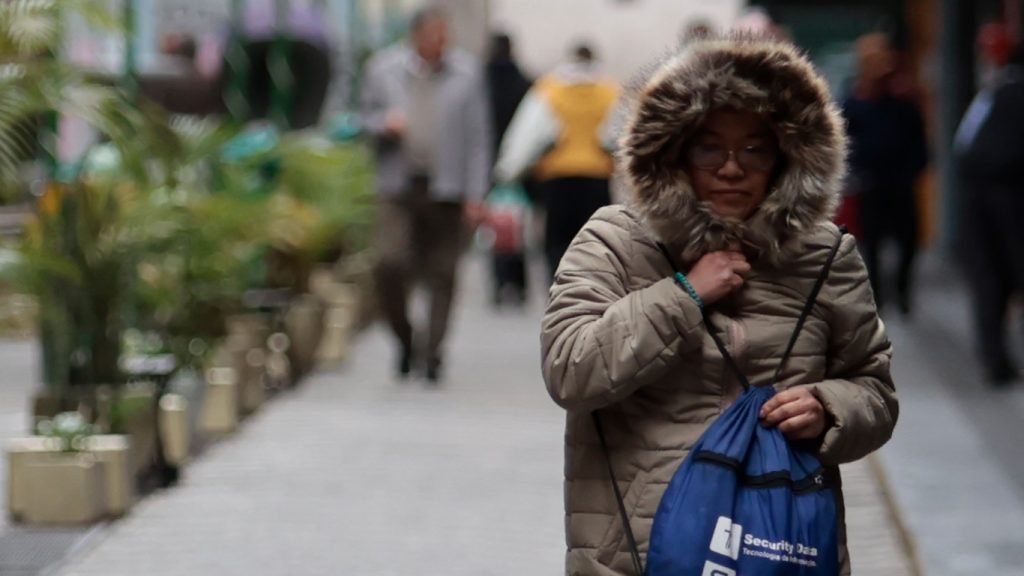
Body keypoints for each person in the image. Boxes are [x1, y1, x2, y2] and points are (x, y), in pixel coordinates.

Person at [541, 37, 899, 575]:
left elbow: (874, 390)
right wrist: (683, 295)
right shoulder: (614, 241)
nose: (732, 169)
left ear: (787, 156)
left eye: (754, 149)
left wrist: (829, 408)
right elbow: (570, 371)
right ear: (674, 152)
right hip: (638, 553)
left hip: (777, 550)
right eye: (710, 149)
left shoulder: (826, 256)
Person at [361, 6, 490, 383]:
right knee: (388, 263)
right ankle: (405, 339)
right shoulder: (382, 69)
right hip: (397, 185)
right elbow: (360, 119)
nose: (442, 42)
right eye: (435, 34)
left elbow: (478, 138)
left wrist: (476, 193)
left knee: (443, 272)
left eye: (445, 35)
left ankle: (433, 353)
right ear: (416, 35)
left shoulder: (467, 73)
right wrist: (383, 124)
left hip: (447, 187)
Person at [494, 42, 620, 280]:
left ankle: (559, 287)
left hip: (557, 180)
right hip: (596, 179)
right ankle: (593, 286)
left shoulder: (549, 89)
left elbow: (528, 135)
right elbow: (616, 134)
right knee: (595, 242)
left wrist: (506, 171)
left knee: (558, 244)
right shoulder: (609, 90)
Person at [842, 33, 929, 315]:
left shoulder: (903, 102)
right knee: (872, 244)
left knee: (908, 241)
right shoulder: (855, 102)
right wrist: (856, 173)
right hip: (871, 183)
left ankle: (901, 290)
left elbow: (918, 139)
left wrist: (915, 168)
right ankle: (878, 295)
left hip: (900, 181)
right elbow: (844, 141)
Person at [955, 42, 1024, 386]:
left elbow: (963, 143)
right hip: (1013, 198)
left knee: (988, 279)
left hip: (977, 198)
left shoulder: (992, 94)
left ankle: (994, 359)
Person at [485, 33, 533, 306]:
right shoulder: (524, 82)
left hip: (489, 161)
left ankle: (499, 282)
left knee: (495, 225)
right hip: (520, 163)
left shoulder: (482, 81)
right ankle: (520, 283)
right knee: (518, 225)